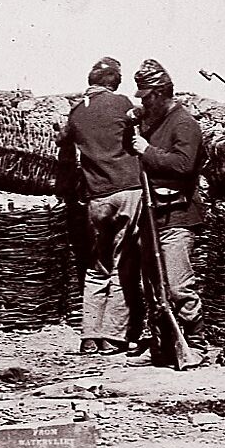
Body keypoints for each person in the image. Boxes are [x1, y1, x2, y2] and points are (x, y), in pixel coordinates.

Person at [56, 56, 144, 356]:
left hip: (96, 197)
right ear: (115, 82)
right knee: (123, 265)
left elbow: (62, 141)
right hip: (127, 189)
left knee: (97, 267)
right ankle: (113, 336)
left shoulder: (77, 111)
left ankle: (89, 336)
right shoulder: (121, 104)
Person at [129, 58, 207, 363]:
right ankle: (163, 345)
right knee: (154, 286)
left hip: (177, 215)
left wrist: (147, 151)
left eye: (147, 97)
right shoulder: (153, 122)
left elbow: (184, 165)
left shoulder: (184, 123)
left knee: (177, 285)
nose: (144, 103)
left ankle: (195, 343)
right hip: (152, 216)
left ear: (161, 94)